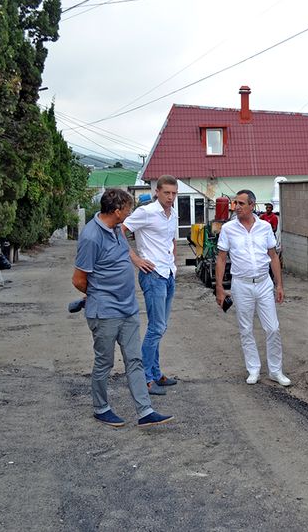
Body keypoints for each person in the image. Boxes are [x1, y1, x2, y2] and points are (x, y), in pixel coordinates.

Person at [72, 188, 173, 428]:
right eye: (128, 209)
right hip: (104, 312)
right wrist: (98, 295)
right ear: (117, 211)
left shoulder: (117, 228)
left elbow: (123, 250)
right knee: (104, 362)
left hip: (128, 309)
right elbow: (78, 279)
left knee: (135, 360)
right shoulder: (91, 236)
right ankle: (101, 408)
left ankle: (145, 410)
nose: (130, 213)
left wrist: (136, 260)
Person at [215, 190, 290, 386]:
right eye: (235, 203)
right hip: (241, 284)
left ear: (252, 205)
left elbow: (273, 256)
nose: (236, 207)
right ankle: (253, 369)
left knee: (273, 328)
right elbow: (221, 259)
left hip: (264, 283)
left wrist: (279, 285)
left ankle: (276, 371)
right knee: (245, 328)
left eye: (241, 203)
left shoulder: (265, 227)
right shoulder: (229, 229)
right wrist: (220, 288)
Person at [122, 175, 179, 396]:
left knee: (160, 327)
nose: (171, 197)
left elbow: (170, 240)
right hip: (152, 274)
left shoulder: (172, 213)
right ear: (157, 191)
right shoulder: (145, 212)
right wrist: (135, 259)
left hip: (168, 274)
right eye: (167, 193)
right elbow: (119, 231)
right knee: (156, 328)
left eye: (174, 193)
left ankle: (155, 373)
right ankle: (143, 378)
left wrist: (172, 259)